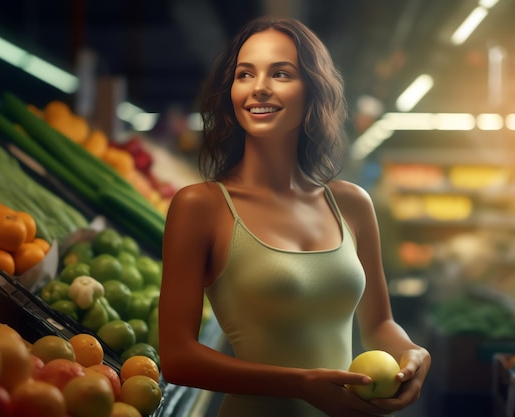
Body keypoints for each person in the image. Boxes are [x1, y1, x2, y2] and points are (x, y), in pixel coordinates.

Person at [158, 16, 431, 417]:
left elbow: (378, 325)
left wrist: (412, 353)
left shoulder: (352, 204)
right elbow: (178, 358)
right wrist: (300, 384)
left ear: (312, 91)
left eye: (281, 73)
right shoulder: (201, 206)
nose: (259, 87)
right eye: (245, 74)